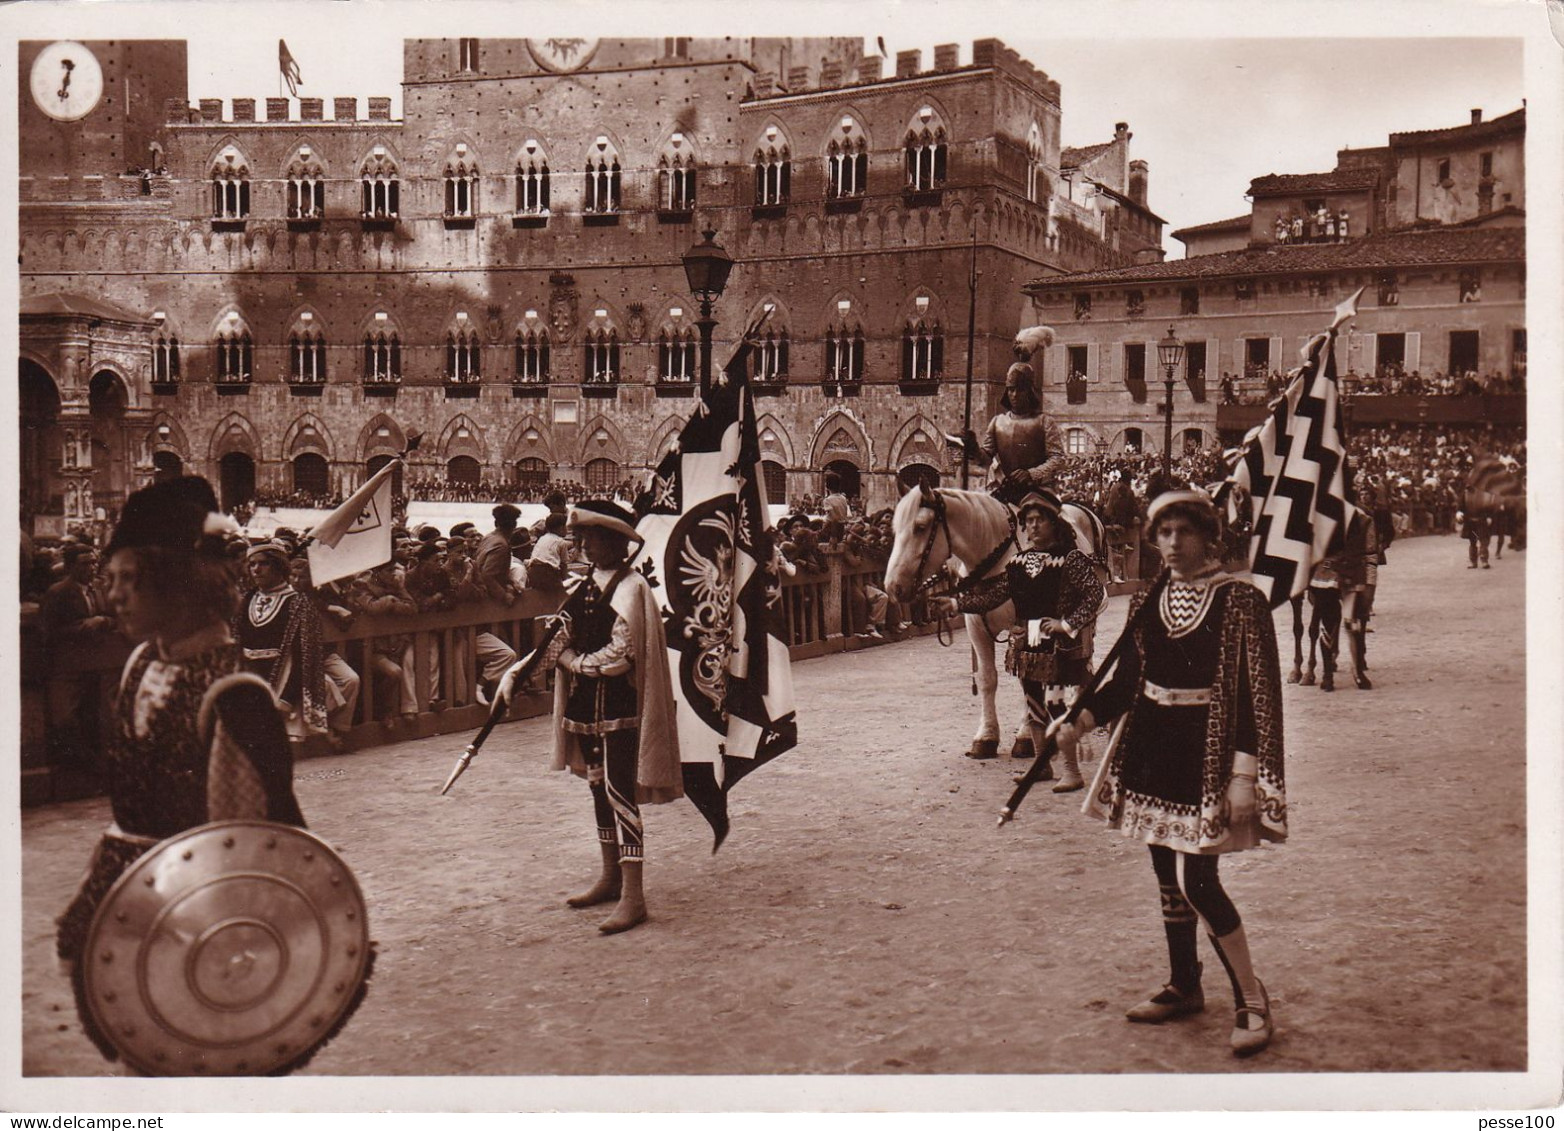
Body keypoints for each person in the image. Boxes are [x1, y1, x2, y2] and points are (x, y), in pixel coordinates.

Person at [56, 477, 306, 1060]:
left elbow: (244, 847)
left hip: (196, 919)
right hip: (127, 889)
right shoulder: (143, 660)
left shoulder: (236, 696)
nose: (113, 596)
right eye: (109, 580)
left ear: (176, 584)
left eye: (128, 581)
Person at [1054, 488, 1285, 1057]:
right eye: (1164, 533)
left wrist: (1243, 776)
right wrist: (1081, 717)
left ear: (1211, 536)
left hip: (1207, 755)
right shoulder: (1149, 598)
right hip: (1154, 748)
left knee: (1198, 880)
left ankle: (1252, 997)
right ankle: (1185, 983)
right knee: (1166, 872)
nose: (1173, 544)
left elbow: (1258, 698)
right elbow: (1129, 678)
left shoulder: (1241, 601)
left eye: (1185, 532)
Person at [550, 499, 682, 934]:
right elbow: (562, 633)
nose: (584, 544)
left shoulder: (632, 587)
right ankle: (609, 876)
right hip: (586, 707)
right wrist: (556, 643)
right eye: (582, 536)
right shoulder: (584, 584)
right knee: (596, 789)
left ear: (613, 542)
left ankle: (633, 894)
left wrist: (573, 662)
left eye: (591, 537)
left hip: (619, 708)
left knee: (619, 791)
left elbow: (623, 654)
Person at [932, 490, 1104, 787]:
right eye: (1029, 521)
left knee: (1056, 705)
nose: (1034, 526)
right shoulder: (1018, 563)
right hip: (1029, 640)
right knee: (1034, 703)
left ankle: (1072, 771)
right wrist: (957, 605)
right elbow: (995, 596)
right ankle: (1041, 765)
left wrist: (1067, 624)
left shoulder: (1072, 559)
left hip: (1058, 642)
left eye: (1040, 520)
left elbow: (1096, 596)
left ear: (1054, 524)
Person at [234, 542, 327, 744]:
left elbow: (305, 657)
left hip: (281, 684)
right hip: (248, 683)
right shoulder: (247, 599)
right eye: (252, 564)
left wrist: (287, 698)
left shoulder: (299, 604)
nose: (256, 569)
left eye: (264, 564)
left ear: (278, 566)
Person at [960, 362, 1066, 505]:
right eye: (1011, 390)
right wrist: (974, 448)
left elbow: (1058, 460)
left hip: (1039, 490)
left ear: (1029, 391)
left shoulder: (1045, 422)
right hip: (1007, 490)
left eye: (1020, 390)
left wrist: (1031, 474)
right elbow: (986, 459)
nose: (1015, 395)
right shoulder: (997, 422)